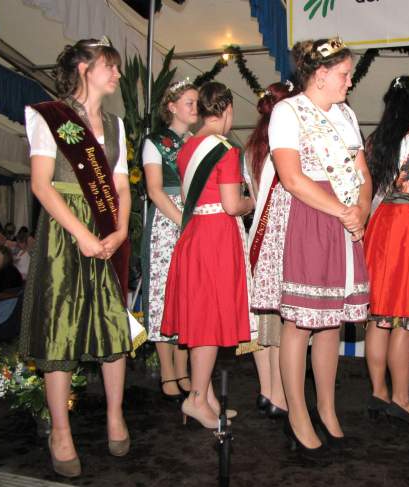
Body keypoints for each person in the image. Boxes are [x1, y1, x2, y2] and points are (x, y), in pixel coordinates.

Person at [251, 37, 371, 458]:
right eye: (344, 75)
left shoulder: (346, 114)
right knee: (301, 321)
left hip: (342, 218)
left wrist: (362, 208)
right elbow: (292, 177)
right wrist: (344, 210)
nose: (349, 82)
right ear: (320, 75)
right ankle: (297, 413)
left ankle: (326, 407)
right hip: (308, 216)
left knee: (330, 321)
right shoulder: (288, 112)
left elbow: (361, 171)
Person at [19, 37, 132, 477]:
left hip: (107, 233)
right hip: (65, 234)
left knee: (113, 324)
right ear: (84, 68)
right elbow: (41, 184)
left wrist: (120, 230)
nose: (117, 73)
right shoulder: (49, 116)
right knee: (59, 329)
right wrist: (83, 234)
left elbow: (121, 187)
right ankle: (61, 432)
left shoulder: (117, 125)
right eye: (110, 65)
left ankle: (115, 416)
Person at [161, 82, 253, 429]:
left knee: (201, 318)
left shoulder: (188, 146)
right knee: (209, 323)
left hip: (195, 233)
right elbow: (231, 204)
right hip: (216, 237)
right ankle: (197, 399)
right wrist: (252, 201)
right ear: (227, 108)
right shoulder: (226, 149)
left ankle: (207, 395)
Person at [363, 75, 409, 426]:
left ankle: (379, 391)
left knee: (379, 317)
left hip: (379, 227)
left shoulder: (374, 140)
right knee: (404, 318)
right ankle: (402, 398)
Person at [244, 81, 299, 418]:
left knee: (261, 319)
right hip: (281, 240)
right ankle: (280, 393)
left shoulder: (250, 149)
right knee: (279, 319)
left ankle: (265, 389)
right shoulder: (285, 148)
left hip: (256, 239)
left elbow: (253, 198)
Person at [141, 79, 198, 400]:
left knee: (188, 294)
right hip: (167, 221)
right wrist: (183, 221)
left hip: (194, 216)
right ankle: (167, 372)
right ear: (172, 107)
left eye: (196, 102)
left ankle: (183, 368)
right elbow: (154, 190)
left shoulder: (198, 141)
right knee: (163, 295)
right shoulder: (155, 142)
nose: (195, 108)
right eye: (189, 102)